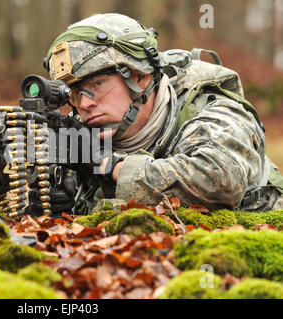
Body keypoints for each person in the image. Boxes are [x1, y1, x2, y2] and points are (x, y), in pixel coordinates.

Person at [33, 13, 283, 215]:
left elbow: (221, 181)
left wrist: (107, 165)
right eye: (74, 94)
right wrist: (55, 202)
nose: (84, 104)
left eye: (97, 85)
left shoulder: (208, 108)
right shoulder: (80, 136)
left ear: (140, 76)